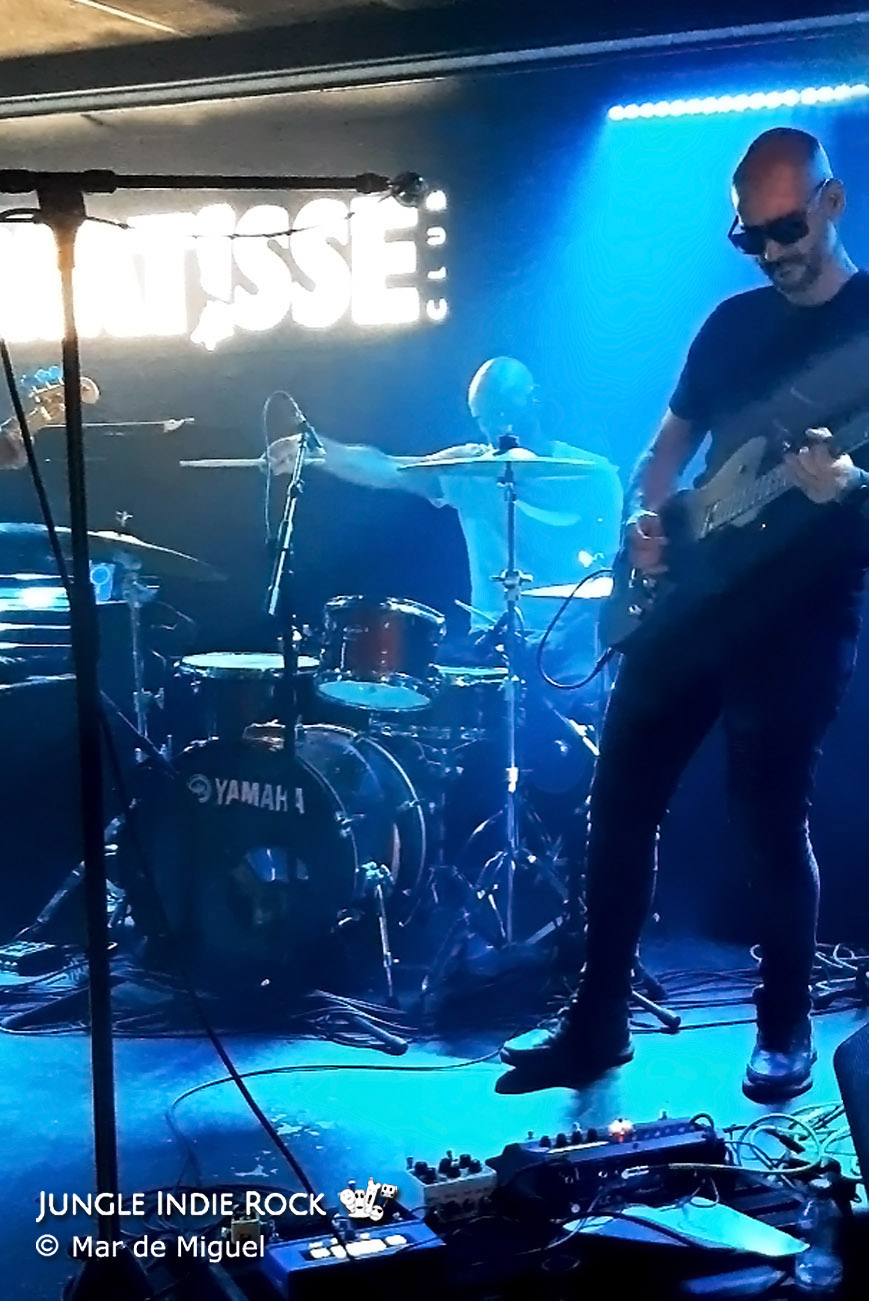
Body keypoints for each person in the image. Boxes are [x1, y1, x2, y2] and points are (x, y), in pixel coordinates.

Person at [499, 127, 869, 1102]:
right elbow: (664, 449)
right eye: (750, 237)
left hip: (798, 614)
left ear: (830, 203)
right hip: (689, 598)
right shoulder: (728, 325)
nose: (771, 252)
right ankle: (596, 1020)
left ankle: (783, 1025)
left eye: (785, 231)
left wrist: (846, 486)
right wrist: (641, 520)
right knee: (617, 803)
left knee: (767, 818)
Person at [268, 356, 623, 695]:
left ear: (535, 400)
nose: (495, 428)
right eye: (483, 418)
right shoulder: (470, 468)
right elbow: (387, 468)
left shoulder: (594, 476)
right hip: (492, 642)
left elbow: (613, 574)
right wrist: (318, 452)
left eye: (503, 412)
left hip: (573, 645)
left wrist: (568, 636)